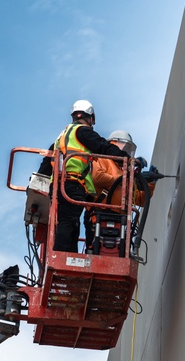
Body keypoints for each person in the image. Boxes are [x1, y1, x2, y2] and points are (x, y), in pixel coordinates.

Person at [40, 100, 127, 253]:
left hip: (58, 186)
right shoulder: (83, 131)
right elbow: (102, 146)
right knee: (68, 221)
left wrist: (37, 182)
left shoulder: (62, 136)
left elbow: (47, 162)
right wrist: (126, 159)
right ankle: (61, 254)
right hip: (73, 182)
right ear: (90, 118)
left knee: (70, 221)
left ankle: (68, 254)